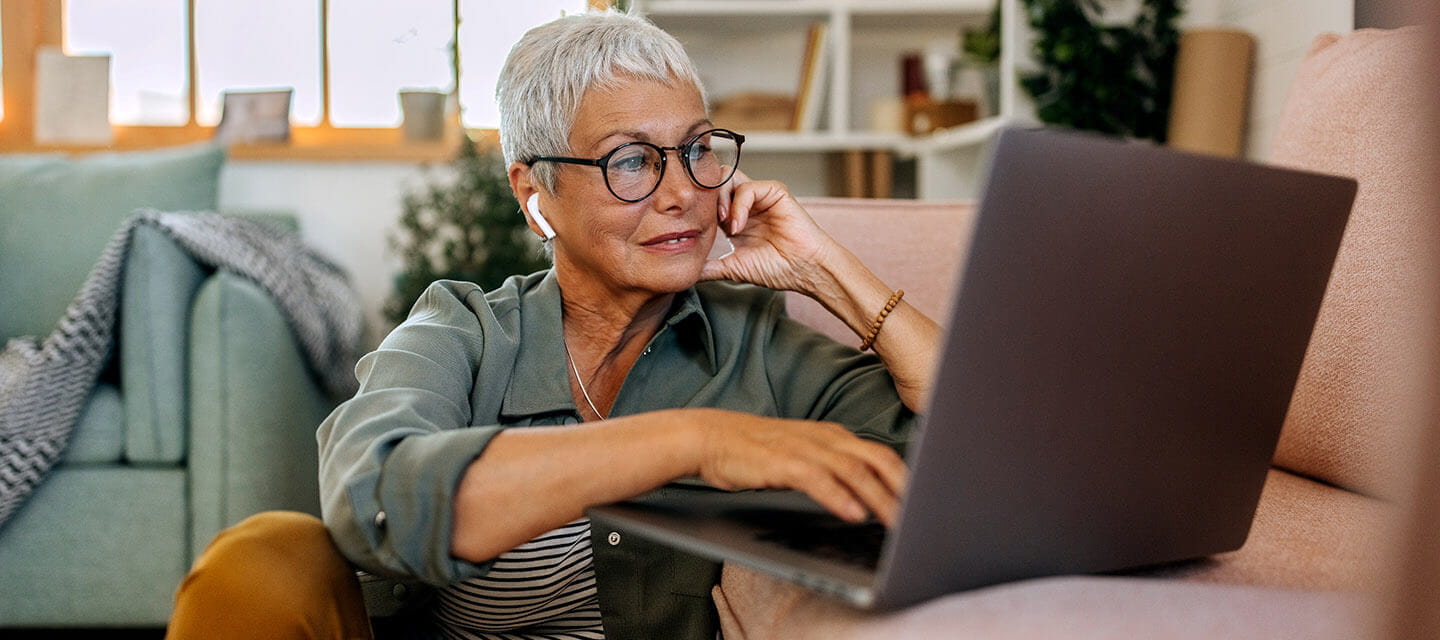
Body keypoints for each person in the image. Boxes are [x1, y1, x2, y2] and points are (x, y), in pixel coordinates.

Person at [167, 9, 940, 640]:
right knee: (264, 556)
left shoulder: (760, 345)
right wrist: (695, 440)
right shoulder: (464, 332)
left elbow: (975, 462)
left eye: (698, 150)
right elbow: (378, 500)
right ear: (535, 192)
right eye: (631, 161)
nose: (682, 193)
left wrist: (827, 271)